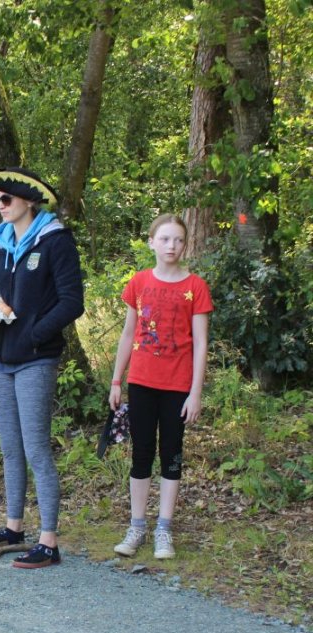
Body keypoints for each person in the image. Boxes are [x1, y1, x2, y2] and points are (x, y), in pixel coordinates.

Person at [0, 167, 84, 568]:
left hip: (36, 357)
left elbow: (72, 302)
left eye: (6, 199)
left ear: (29, 201)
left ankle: (49, 541)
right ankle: (13, 527)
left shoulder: (55, 241)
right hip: (0, 359)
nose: (0, 206)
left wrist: (35, 333)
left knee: (36, 448)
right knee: (10, 448)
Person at [109, 214, 212, 560]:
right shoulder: (139, 282)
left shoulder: (195, 286)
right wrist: (116, 380)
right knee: (141, 454)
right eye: (165, 239)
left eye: (179, 240)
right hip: (141, 381)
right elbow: (128, 334)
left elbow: (200, 343)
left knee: (171, 454)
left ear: (185, 245)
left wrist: (195, 392)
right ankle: (137, 526)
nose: (172, 246)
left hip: (178, 386)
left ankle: (163, 529)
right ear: (151, 242)